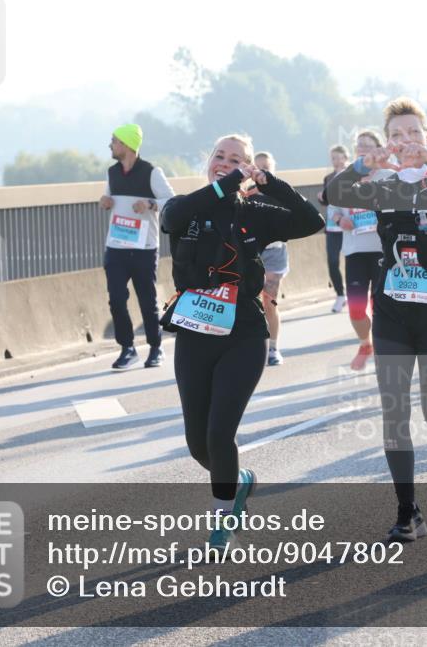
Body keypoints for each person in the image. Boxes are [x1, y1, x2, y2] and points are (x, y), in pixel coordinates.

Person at [328, 97, 427, 543]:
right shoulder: (380, 184)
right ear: (388, 143)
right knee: (395, 411)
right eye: (397, 135)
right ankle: (407, 510)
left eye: (414, 133)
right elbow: (329, 194)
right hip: (393, 310)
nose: (406, 141)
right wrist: (362, 166)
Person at [160, 134, 324, 550]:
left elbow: (311, 221)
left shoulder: (255, 210)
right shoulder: (188, 205)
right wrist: (222, 184)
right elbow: (169, 218)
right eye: (220, 157)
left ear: (248, 168)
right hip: (195, 334)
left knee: (219, 433)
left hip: (245, 334)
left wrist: (271, 184)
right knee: (197, 443)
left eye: (237, 160)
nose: (226, 164)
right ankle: (241, 481)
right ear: (209, 162)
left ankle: (221, 522)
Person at [100, 123, 175, 371]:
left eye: (114, 141)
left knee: (147, 299)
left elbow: (171, 202)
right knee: (117, 299)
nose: (110, 145)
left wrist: (150, 204)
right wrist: (106, 201)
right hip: (116, 246)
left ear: (127, 144)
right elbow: (108, 197)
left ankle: (155, 347)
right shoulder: (111, 173)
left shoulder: (152, 172)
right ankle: (127, 348)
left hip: (144, 247)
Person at [322, 130, 386, 371]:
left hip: (382, 250)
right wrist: (340, 220)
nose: (362, 150)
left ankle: (381, 349)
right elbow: (332, 210)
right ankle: (365, 343)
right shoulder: (344, 178)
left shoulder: (387, 176)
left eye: (368, 146)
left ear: (379, 149)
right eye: (359, 146)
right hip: (355, 251)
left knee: (380, 307)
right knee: (357, 308)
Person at [252, 151, 290, 365]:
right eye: (258, 168)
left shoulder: (282, 192)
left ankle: (273, 348)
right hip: (253, 252)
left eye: (266, 167)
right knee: (252, 303)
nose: (262, 172)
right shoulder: (247, 193)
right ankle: (254, 346)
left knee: (269, 302)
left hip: (275, 252)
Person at [319, 145, 349, 313]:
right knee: (332, 262)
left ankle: (356, 293)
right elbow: (327, 200)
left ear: (345, 157)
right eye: (333, 158)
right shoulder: (328, 177)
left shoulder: (354, 174)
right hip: (332, 226)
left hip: (350, 224)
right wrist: (321, 197)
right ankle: (340, 295)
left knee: (352, 261)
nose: (336, 161)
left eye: (339, 157)